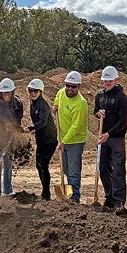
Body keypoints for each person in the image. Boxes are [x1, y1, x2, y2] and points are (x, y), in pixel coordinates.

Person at [94, 66, 127, 213]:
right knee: (102, 168)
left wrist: (109, 133)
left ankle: (119, 201)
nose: (107, 83)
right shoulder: (99, 95)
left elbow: (123, 121)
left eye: (109, 80)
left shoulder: (121, 98)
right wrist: (98, 113)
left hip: (116, 138)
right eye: (105, 80)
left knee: (118, 170)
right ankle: (109, 197)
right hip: (103, 137)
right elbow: (95, 110)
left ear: (116, 80)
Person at [53, 70, 89, 203]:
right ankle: (69, 192)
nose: (69, 88)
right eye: (67, 85)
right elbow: (58, 95)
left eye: (73, 86)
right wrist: (56, 104)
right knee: (65, 168)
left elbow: (75, 127)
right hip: (63, 138)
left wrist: (64, 142)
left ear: (79, 87)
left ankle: (75, 197)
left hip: (75, 140)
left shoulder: (81, 103)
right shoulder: (62, 92)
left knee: (73, 170)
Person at [0, 78, 23, 198]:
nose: (6, 95)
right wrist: (1, 142)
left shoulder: (18, 104)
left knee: (8, 164)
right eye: (4, 92)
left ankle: (8, 189)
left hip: (10, 138)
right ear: (0, 93)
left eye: (8, 92)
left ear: (12, 92)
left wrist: (14, 127)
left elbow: (18, 119)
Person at [26, 78, 57, 200]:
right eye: (30, 91)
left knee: (43, 164)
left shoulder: (43, 105)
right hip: (41, 139)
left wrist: (30, 128)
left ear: (40, 92)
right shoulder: (32, 104)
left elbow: (43, 122)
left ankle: (46, 193)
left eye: (35, 91)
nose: (33, 93)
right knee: (38, 165)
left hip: (50, 140)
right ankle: (45, 191)